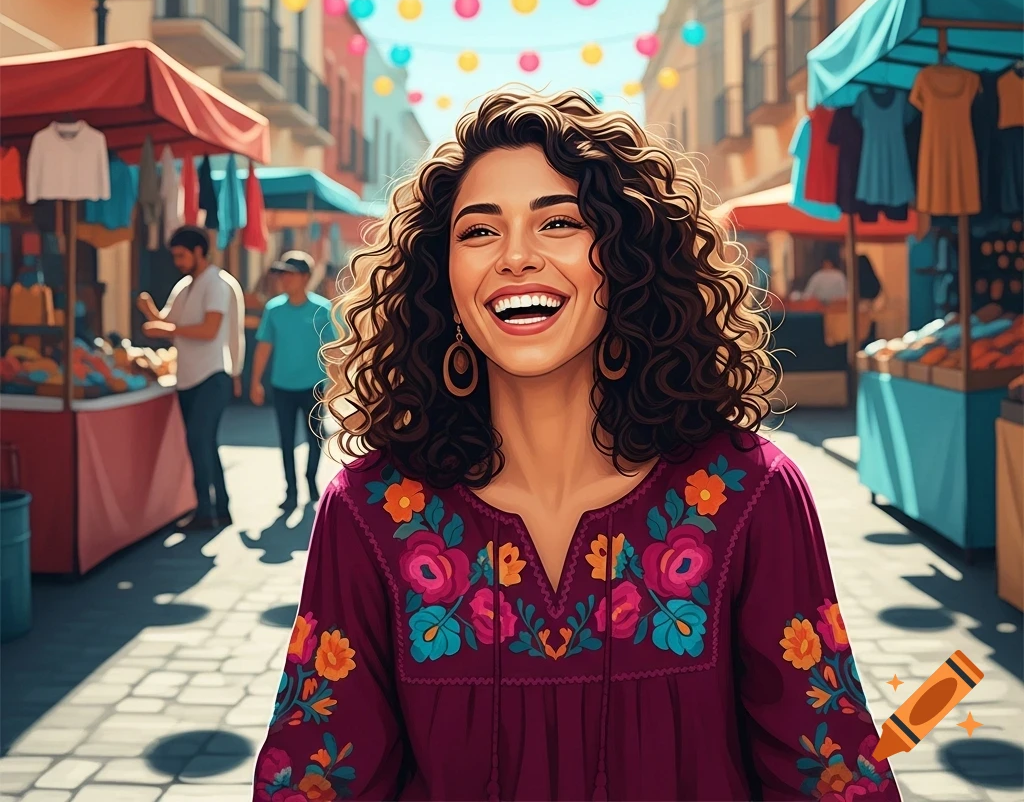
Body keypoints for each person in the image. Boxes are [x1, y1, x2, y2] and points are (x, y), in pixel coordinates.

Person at [251, 90, 900, 802]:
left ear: (625, 255)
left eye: (559, 221)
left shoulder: (749, 496)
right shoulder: (370, 513)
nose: (516, 257)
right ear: (443, 276)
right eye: (478, 232)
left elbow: (830, 774)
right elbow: (313, 778)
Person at [137, 225, 242, 531]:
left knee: (199, 442)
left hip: (212, 375)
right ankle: (220, 508)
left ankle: (205, 511)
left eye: (182, 255)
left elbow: (209, 330)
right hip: (188, 377)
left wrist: (165, 329)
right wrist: (147, 310)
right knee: (205, 443)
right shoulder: (185, 285)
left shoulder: (215, 284)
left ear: (198, 251)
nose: (178, 261)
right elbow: (166, 321)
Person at [250, 251, 333, 510]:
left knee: (315, 438)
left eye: (290, 274)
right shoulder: (274, 310)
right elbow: (263, 347)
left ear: (305, 277)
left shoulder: (322, 309)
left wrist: (334, 385)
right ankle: (291, 490)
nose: (284, 279)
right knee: (285, 440)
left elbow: (331, 349)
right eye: (281, 274)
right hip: (282, 385)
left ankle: (310, 479)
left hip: (314, 386)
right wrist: (255, 381)